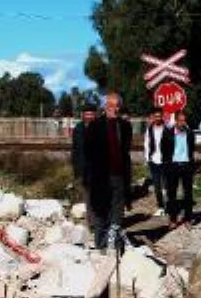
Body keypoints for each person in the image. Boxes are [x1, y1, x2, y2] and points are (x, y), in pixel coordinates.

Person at [83, 92, 132, 251]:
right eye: (111, 105)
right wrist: (88, 177)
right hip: (101, 176)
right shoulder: (95, 126)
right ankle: (100, 244)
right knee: (101, 210)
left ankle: (114, 242)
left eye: (117, 106)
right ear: (105, 107)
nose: (114, 109)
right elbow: (87, 153)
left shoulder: (125, 126)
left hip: (119, 175)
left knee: (117, 211)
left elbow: (126, 152)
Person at [160, 110, 196, 227]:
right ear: (175, 121)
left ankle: (188, 218)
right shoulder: (168, 133)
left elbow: (192, 149)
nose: (182, 123)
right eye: (180, 121)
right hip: (173, 166)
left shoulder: (190, 133)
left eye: (184, 121)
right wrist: (167, 165)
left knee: (188, 193)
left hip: (186, 166)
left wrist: (191, 164)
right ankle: (173, 218)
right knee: (172, 194)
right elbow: (163, 150)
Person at [71, 107, 98, 239]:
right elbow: (75, 150)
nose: (89, 116)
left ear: (95, 114)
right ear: (83, 115)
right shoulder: (78, 129)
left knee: (99, 196)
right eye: (87, 113)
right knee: (88, 197)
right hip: (83, 169)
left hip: (98, 169)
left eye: (91, 113)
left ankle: (101, 220)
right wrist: (76, 170)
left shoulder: (101, 128)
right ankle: (92, 223)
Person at [143, 110, 167, 217]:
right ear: (153, 117)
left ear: (162, 117)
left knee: (166, 186)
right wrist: (148, 158)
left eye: (159, 116)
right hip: (154, 160)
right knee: (157, 185)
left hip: (165, 160)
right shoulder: (150, 129)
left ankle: (168, 206)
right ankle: (161, 207)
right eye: (155, 116)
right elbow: (147, 144)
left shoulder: (167, 129)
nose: (157, 118)